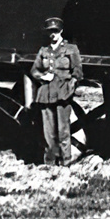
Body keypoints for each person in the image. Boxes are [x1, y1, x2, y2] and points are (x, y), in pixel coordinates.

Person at [29, 17, 82, 166]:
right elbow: (34, 70)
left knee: (63, 130)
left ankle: (66, 162)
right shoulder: (44, 51)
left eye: (55, 31)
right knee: (48, 132)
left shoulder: (71, 49)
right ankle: (50, 163)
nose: (53, 34)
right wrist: (43, 76)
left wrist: (70, 88)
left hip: (63, 94)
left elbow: (77, 72)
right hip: (45, 93)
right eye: (50, 32)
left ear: (61, 31)